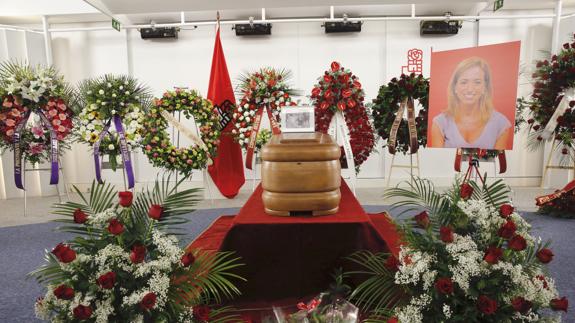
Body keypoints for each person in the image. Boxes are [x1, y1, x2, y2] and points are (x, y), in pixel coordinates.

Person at [431, 57, 511, 149]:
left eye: (477, 82)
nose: (470, 89)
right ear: (455, 87)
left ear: (485, 87)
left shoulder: (501, 124)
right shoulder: (440, 123)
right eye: (464, 82)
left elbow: (498, 162)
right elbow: (437, 161)